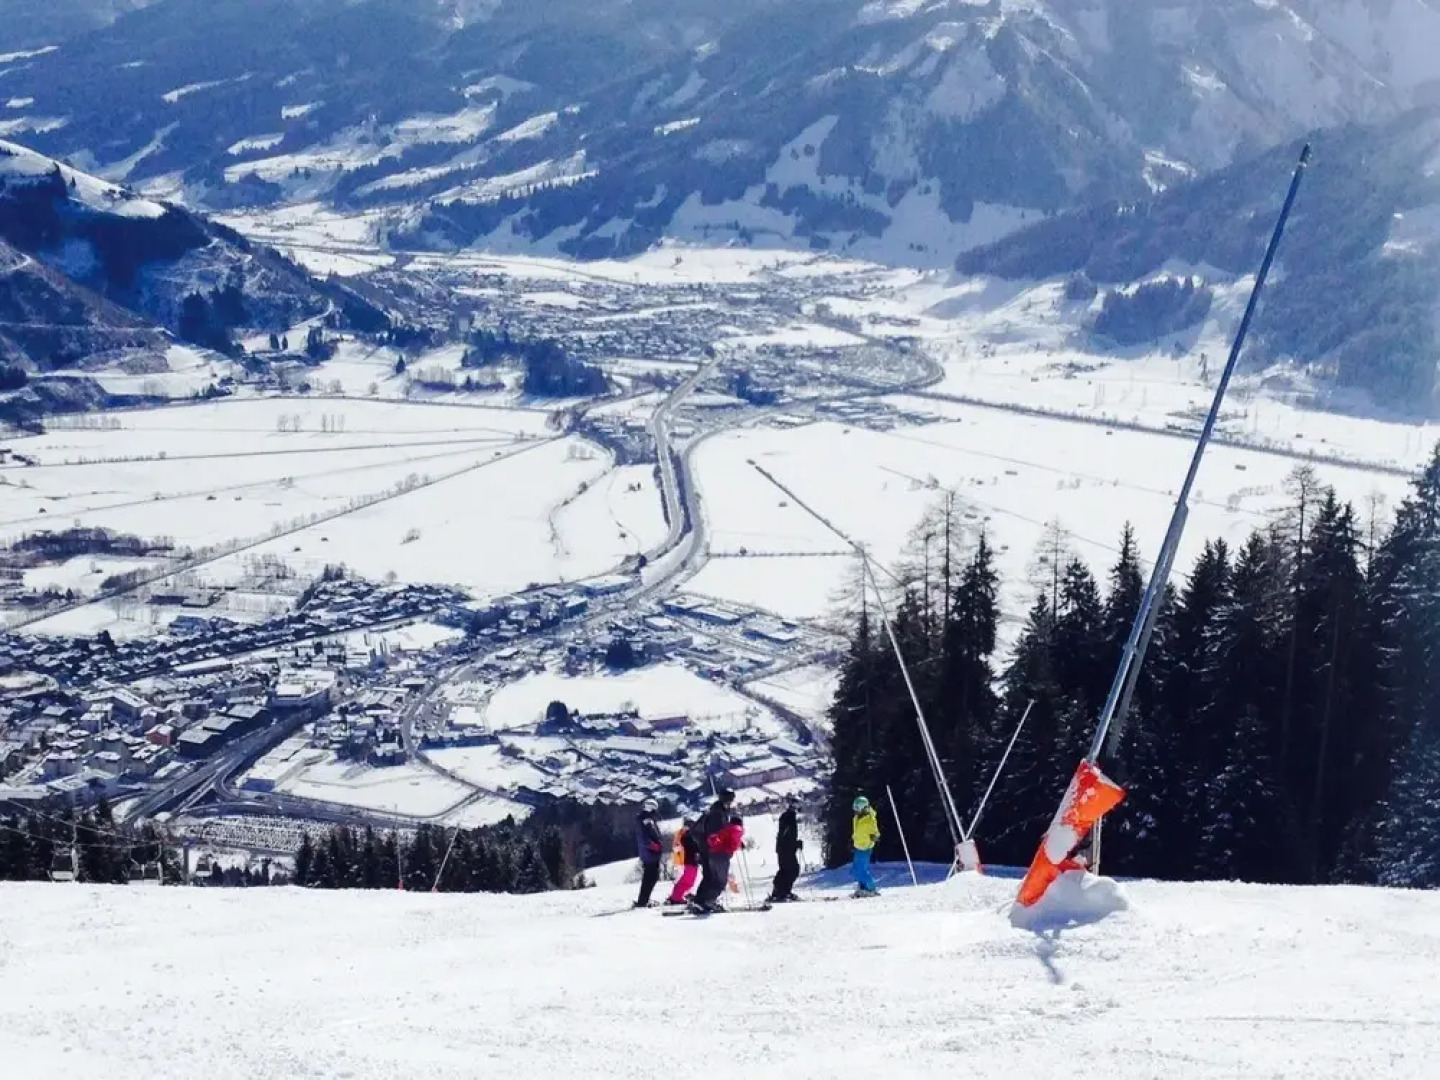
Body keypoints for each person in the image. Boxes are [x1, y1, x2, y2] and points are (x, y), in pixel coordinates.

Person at [691, 813, 745, 913]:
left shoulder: (726, 828)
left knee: (714, 880)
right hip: (722, 857)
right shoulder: (737, 829)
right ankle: (709, 901)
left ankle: (702, 901)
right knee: (721, 882)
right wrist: (737, 844)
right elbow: (734, 840)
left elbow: (717, 838)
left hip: (713, 855)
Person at [693, 787, 735, 906]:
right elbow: (716, 835)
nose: (731, 803)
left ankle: (700, 901)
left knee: (709, 877)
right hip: (714, 851)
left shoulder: (716, 811)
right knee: (718, 880)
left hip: (706, 849)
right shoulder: (718, 814)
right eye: (730, 800)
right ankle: (706, 901)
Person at [768, 796, 802, 903]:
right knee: (791, 870)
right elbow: (785, 835)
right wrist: (795, 844)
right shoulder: (788, 816)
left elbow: (788, 835)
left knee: (789, 870)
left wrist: (796, 843)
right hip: (785, 849)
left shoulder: (790, 816)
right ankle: (781, 892)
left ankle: (782, 891)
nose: (797, 807)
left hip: (786, 848)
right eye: (795, 804)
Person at [633, 798, 664, 908]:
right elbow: (645, 836)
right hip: (650, 852)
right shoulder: (646, 820)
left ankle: (644, 899)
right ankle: (643, 901)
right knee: (651, 876)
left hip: (649, 851)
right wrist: (653, 845)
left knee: (651, 876)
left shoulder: (645, 819)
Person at [667, 818, 703, 905]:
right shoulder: (687, 836)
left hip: (688, 860)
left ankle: (676, 897)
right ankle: (676, 898)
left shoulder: (685, 835)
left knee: (688, 881)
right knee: (687, 881)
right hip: (689, 861)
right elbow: (693, 847)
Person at [851, 795, 880, 897]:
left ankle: (871, 888)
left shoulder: (870, 820)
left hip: (865, 847)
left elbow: (876, 833)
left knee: (862, 870)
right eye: (854, 808)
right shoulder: (856, 818)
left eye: (857, 808)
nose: (856, 811)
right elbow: (857, 831)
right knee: (855, 869)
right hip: (858, 846)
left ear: (864, 808)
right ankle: (862, 887)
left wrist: (875, 836)